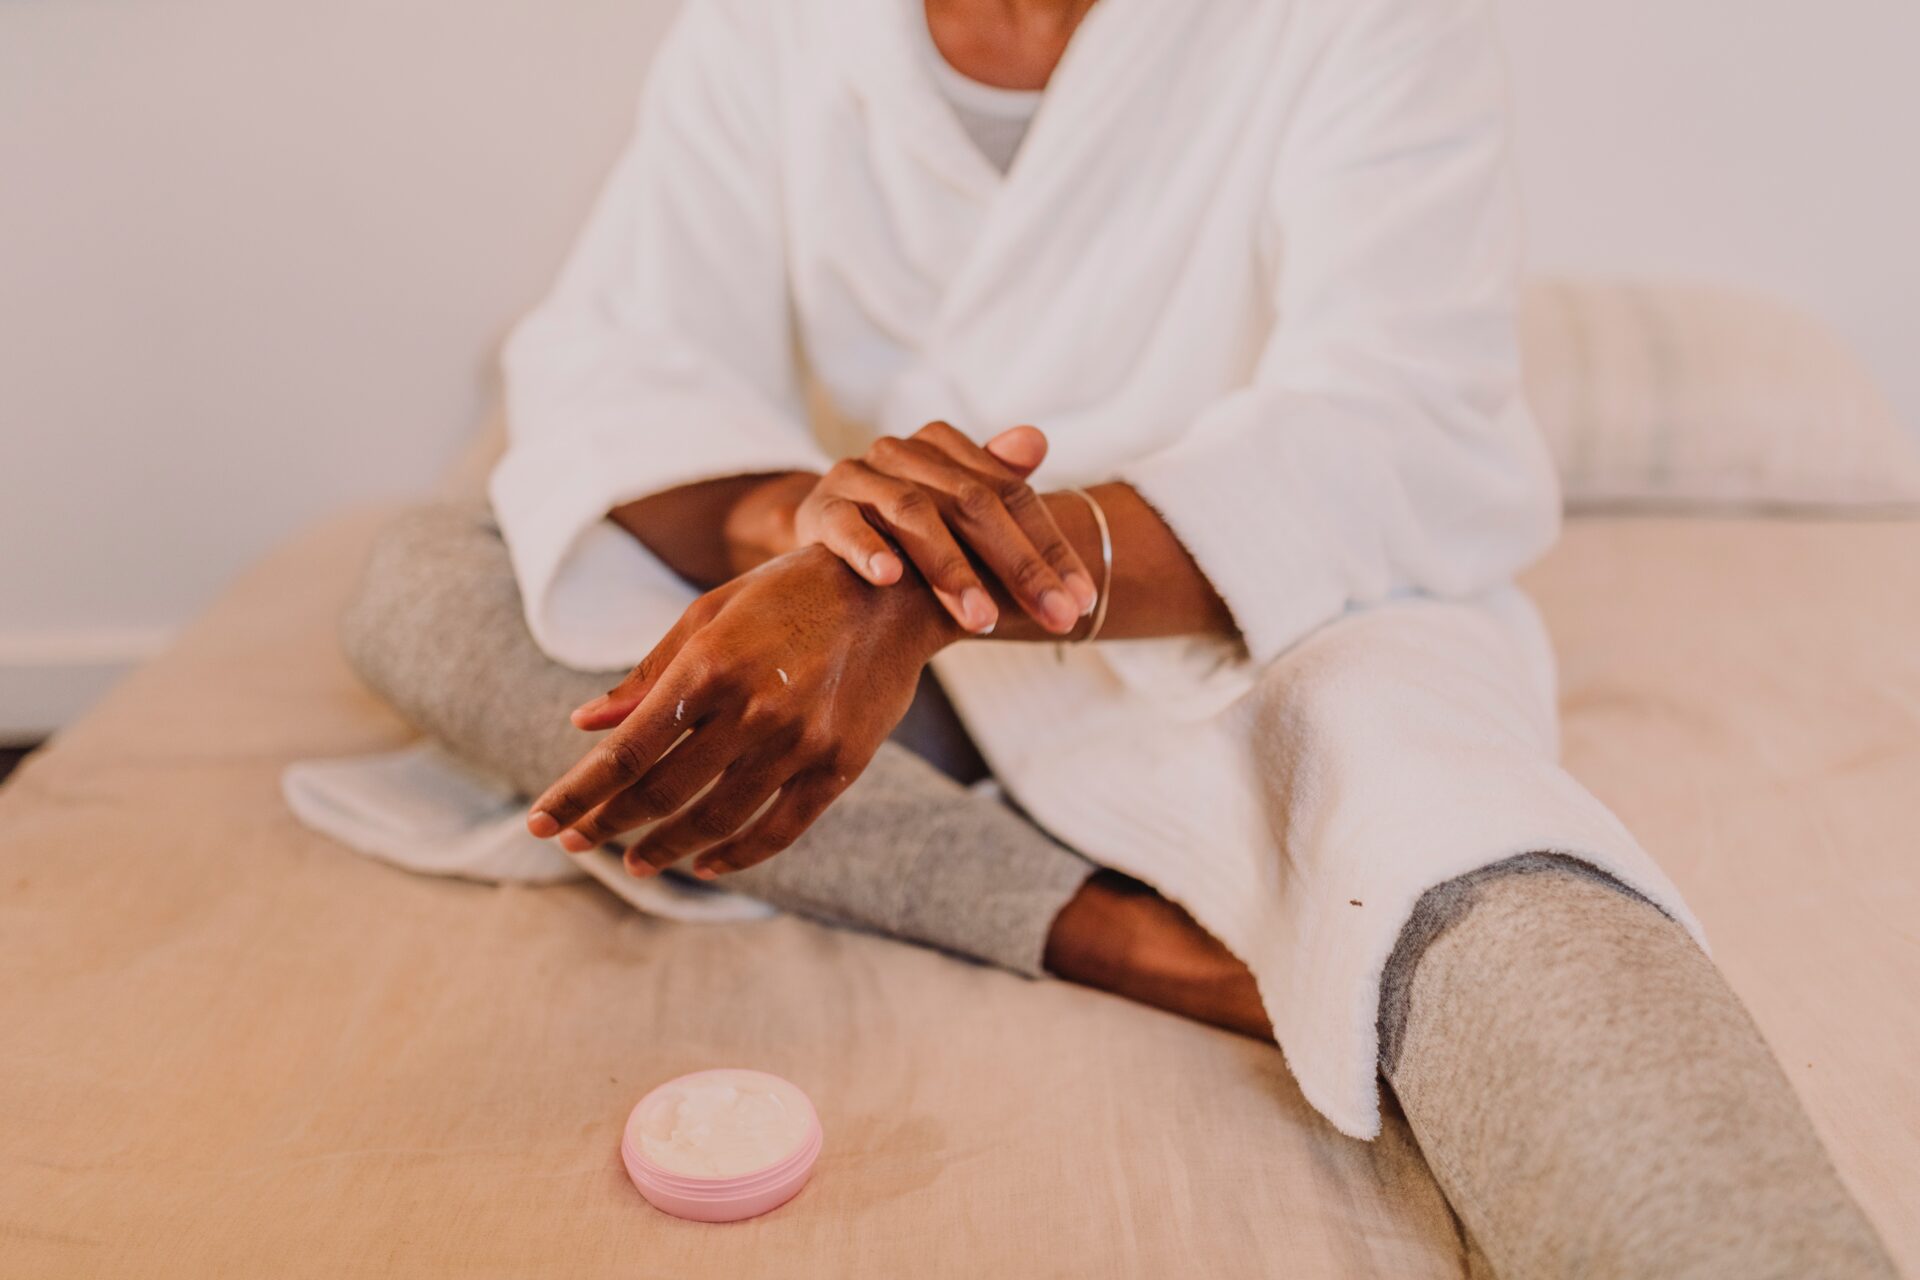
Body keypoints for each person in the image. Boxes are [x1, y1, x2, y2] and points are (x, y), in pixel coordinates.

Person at [342, 0, 1896, 1274]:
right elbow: (628, 361)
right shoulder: (772, 32)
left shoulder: (1360, 25)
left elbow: (1397, 430)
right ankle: (1104, 927)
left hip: (1264, 621)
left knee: (1475, 859)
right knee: (434, 575)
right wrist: (825, 541)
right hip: (897, 670)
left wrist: (907, 582)